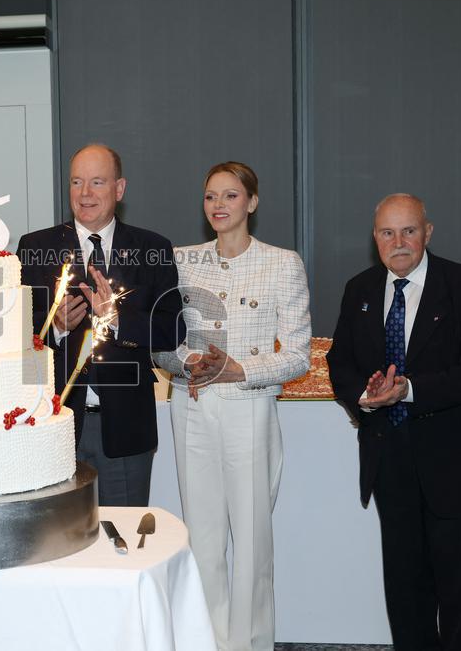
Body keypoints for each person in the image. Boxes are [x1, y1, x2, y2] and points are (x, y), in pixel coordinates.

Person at [326, 193, 461, 651]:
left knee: (460, 594)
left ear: (428, 232)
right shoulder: (359, 290)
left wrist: (410, 388)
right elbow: (339, 361)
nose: (398, 242)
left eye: (408, 231)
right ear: (375, 238)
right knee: (405, 593)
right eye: (387, 232)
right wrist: (365, 397)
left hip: (453, 465)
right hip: (390, 460)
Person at [155, 162, 311, 651]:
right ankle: (207, 641)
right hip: (192, 404)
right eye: (210, 197)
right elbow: (161, 342)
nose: (219, 205)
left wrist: (237, 369)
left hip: (249, 407)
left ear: (252, 202)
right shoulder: (181, 260)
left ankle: (250, 643)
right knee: (201, 536)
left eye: (230, 195)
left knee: (250, 539)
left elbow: (299, 354)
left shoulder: (283, 263)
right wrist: (187, 363)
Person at [17, 144, 184, 506]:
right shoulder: (34, 247)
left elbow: (173, 329)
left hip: (125, 429)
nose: (85, 193)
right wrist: (54, 327)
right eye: (77, 182)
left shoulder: (152, 248)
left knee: (122, 543)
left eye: (97, 182)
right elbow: (15, 334)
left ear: (119, 189)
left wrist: (120, 320)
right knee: (58, 545)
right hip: (53, 424)